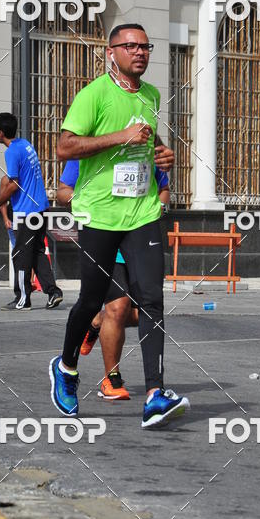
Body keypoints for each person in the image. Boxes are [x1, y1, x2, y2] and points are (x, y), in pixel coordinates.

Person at [49, 22, 189, 429]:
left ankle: (154, 394)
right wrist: (119, 137)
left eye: (145, 46)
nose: (140, 52)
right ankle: (68, 368)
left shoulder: (151, 95)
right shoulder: (94, 94)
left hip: (142, 212)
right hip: (99, 213)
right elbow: (64, 147)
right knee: (93, 301)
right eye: (130, 46)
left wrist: (163, 156)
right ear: (111, 52)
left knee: (151, 298)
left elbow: (147, 142)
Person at [56, 158, 170, 400]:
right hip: (105, 241)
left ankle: (97, 321)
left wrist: (159, 208)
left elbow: (163, 188)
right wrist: (89, 205)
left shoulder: (145, 143)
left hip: (140, 239)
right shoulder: (92, 146)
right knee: (118, 307)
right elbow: (63, 192)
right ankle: (111, 378)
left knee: (146, 312)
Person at [0, 113, 63, 311]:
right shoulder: (25, 144)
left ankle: (22, 299)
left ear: (0, 132)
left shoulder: (11, 152)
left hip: (26, 212)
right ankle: (53, 292)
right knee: (37, 252)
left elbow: (13, 184)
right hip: (41, 207)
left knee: (21, 254)